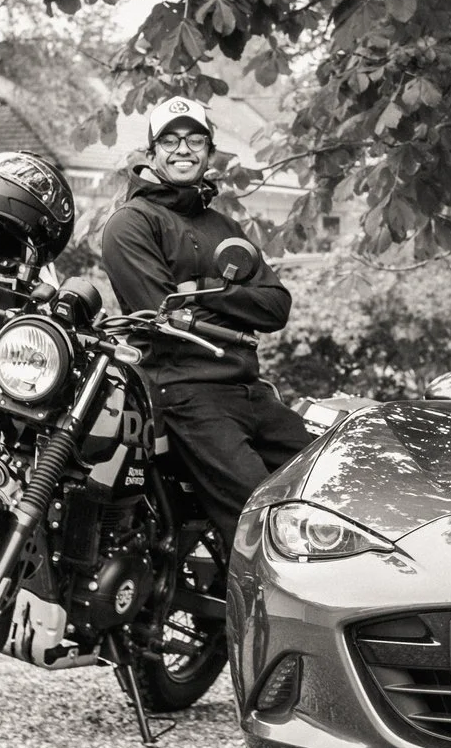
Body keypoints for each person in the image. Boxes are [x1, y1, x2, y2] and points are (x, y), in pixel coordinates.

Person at [98, 96, 310, 534]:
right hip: (186, 393)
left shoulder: (226, 229)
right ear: (152, 151)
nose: (183, 150)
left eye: (195, 140)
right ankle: (260, 601)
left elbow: (276, 305)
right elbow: (162, 311)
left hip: (249, 390)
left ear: (209, 153)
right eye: (171, 140)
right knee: (263, 516)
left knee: (328, 478)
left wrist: (203, 291)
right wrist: (231, 296)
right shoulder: (132, 223)